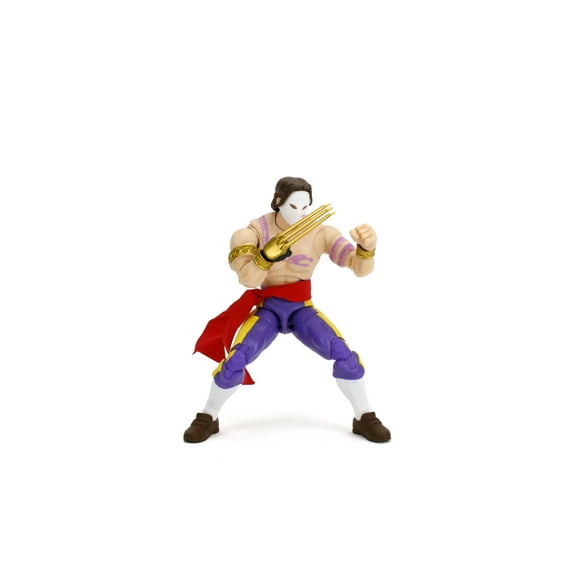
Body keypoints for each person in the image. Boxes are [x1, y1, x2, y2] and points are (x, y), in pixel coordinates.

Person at [184, 176, 391, 443]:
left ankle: (364, 415)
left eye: (306, 207)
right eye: (294, 207)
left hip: (301, 307)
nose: (300, 214)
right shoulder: (252, 232)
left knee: (344, 355)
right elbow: (247, 279)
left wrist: (366, 249)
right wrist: (265, 257)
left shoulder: (320, 232)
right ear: (278, 201)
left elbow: (359, 269)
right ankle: (208, 416)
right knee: (236, 359)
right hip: (268, 308)